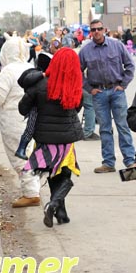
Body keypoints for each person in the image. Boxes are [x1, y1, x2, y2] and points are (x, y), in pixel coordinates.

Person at [18, 48, 84, 228]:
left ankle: (61, 213)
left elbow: (22, 108)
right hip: (66, 140)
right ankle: (54, 205)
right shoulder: (75, 86)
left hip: (44, 138)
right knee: (65, 174)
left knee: (54, 173)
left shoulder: (40, 85)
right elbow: (76, 109)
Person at [0, 37, 41, 207]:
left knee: (19, 155)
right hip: (32, 117)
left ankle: (31, 193)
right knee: (30, 152)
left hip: (13, 119)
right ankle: (33, 186)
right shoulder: (30, 67)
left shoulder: (9, 71)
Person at [79, 19, 136, 172]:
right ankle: (108, 163)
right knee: (104, 128)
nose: (96, 32)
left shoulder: (116, 45)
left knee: (122, 126)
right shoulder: (85, 51)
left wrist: (123, 85)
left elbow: (130, 65)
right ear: (90, 32)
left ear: (104, 29)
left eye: (99, 29)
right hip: (98, 93)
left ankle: (130, 161)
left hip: (116, 91)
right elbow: (77, 72)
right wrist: (89, 88)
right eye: (93, 30)